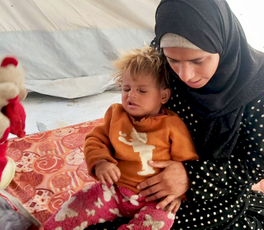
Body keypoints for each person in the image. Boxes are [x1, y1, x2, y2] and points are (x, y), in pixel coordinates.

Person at [133, 0, 264, 229]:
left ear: (222, 43)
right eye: (173, 60)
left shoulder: (259, 88)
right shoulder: (160, 66)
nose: (185, 75)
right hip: (157, 171)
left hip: (215, 191)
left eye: (198, 60)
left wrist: (190, 177)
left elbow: (254, 165)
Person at [44, 46, 199, 230]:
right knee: (77, 204)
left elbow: (187, 161)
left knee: (161, 222)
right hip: (114, 191)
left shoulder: (173, 125)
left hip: (154, 200)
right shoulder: (116, 114)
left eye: (141, 91)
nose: (131, 95)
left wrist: (178, 194)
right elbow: (95, 140)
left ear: (163, 95)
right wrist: (101, 162)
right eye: (126, 88)